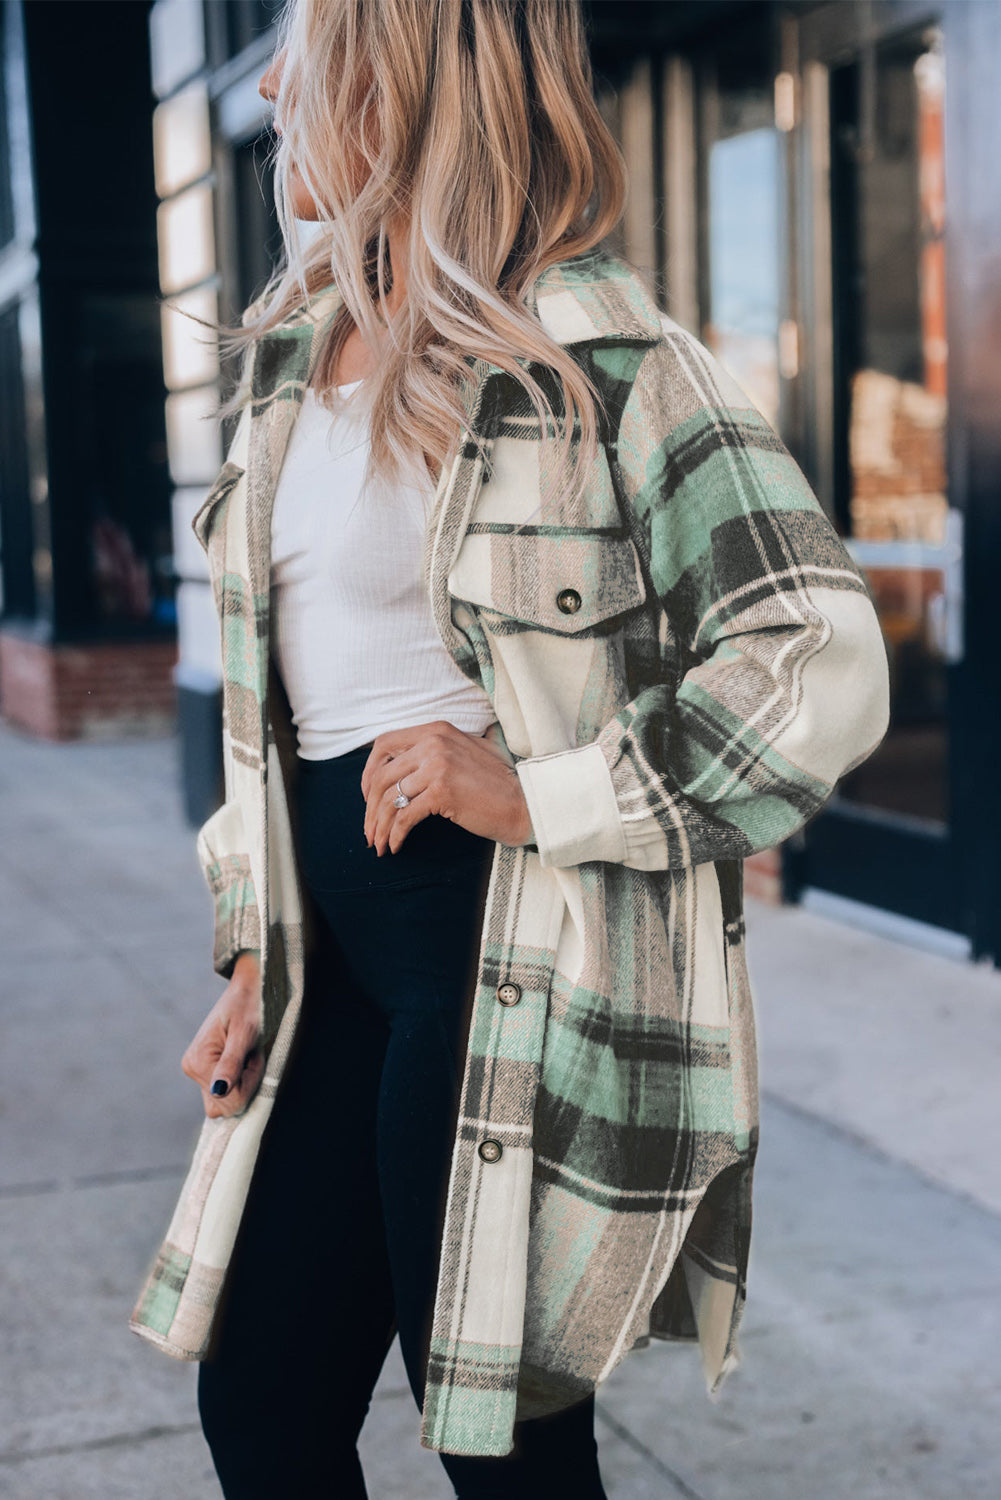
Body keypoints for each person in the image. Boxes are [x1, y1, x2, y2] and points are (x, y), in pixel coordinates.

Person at [130, 2, 891, 1497]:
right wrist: (246, 947)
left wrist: (542, 790)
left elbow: (818, 653)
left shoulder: (596, 350)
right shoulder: (292, 353)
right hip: (331, 960)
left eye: (304, 44)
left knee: (498, 1441)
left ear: (402, 72)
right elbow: (274, 710)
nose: (273, 81)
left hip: (499, 960)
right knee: (264, 1407)